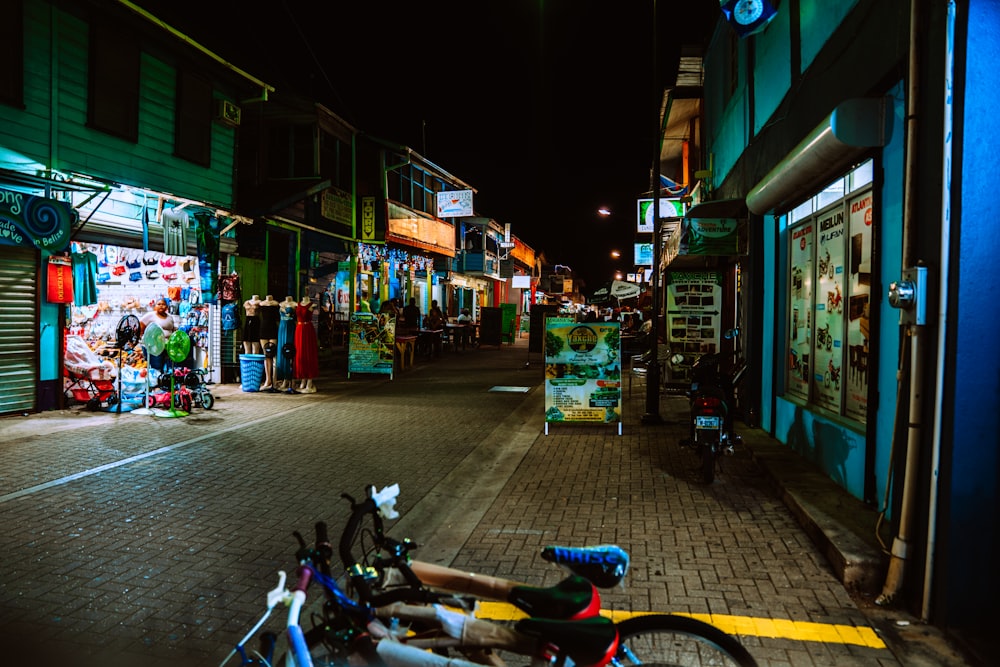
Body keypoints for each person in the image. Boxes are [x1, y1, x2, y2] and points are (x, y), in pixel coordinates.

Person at [139, 297, 177, 371]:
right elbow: (141, 324)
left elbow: (171, 329)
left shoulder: (170, 317)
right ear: (155, 306)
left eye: (163, 304)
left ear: (166, 307)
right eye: (159, 304)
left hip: (166, 346)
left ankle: (161, 381)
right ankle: (156, 381)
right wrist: (143, 336)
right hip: (153, 346)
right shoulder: (150, 315)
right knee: (156, 367)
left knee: (164, 367)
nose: (161, 306)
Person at [294, 296, 319, 393]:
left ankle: (309, 380)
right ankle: (302, 379)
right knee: (300, 354)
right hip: (299, 329)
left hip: (307, 329)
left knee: (308, 353)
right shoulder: (297, 304)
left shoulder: (312, 305)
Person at [258, 295, 280, 391]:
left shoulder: (276, 304)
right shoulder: (261, 304)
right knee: (266, 355)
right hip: (263, 328)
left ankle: (274, 380)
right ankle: (268, 380)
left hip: (273, 328)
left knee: (273, 355)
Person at [275, 296, 298, 392]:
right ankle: (284, 378)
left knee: (290, 351)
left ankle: (291, 379)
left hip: (290, 328)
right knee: (282, 352)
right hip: (282, 327)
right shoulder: (280, 304)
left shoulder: (295, 305)